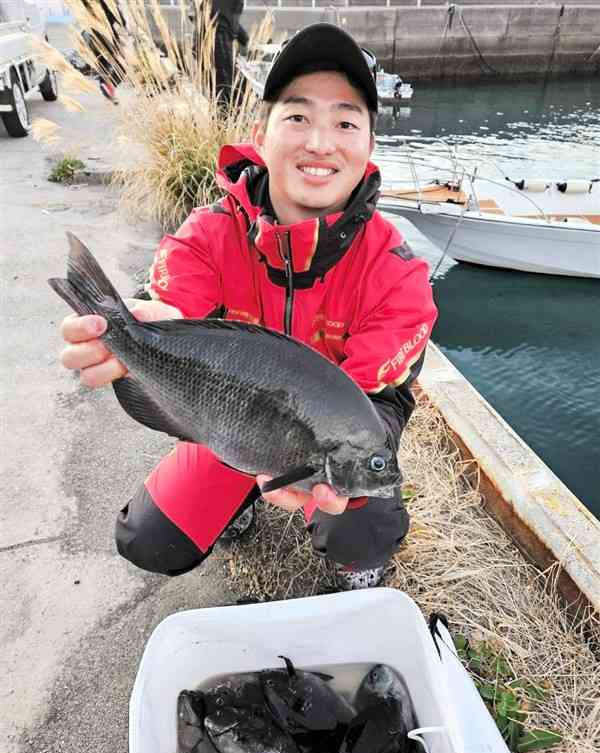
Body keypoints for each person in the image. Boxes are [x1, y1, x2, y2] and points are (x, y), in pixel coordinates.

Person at [58, 23, 438, 591]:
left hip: (318, 452)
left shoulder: (397, 270)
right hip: (228, 428)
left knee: (365, 527)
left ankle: (348, 542)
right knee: (146, 538)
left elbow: (376, 404)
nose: (320, 142)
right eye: (298, 116)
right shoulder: (206, 234)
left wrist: (352, 458)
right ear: (261, 133)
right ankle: (241, 495)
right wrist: (127, 334)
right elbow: (168, 311)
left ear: (368, 145)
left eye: (345, 121)